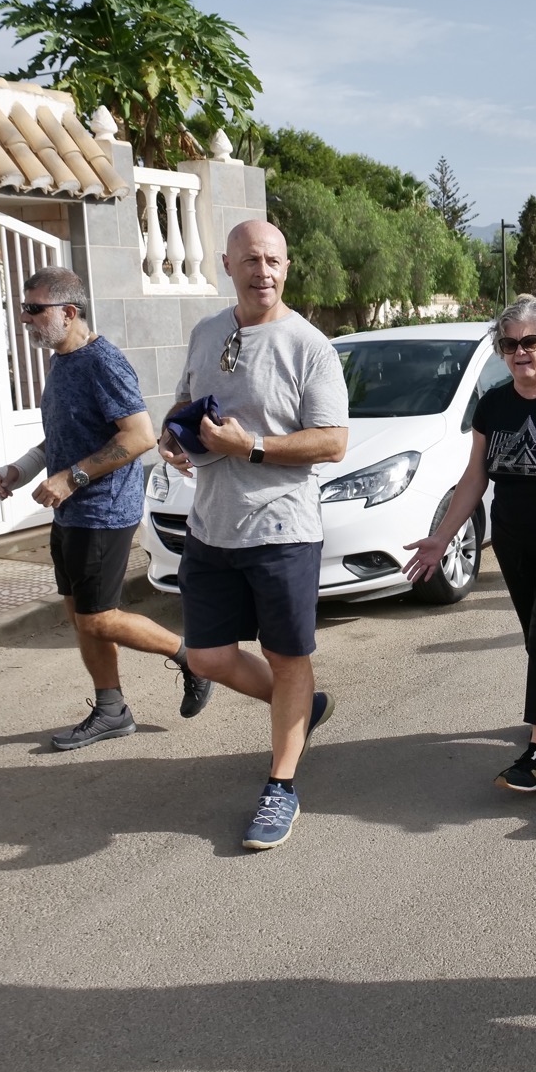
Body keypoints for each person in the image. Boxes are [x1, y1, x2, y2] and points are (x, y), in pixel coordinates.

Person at [157, 220, 349, 850]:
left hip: (282, 529)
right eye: (249, 260)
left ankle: (281, 785)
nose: (261, 271)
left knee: (288, 658)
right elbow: (184, 403)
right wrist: (172, 437)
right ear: (227, 265)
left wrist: (253, 446)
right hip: (211, 527)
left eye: (272, 261)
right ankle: (300, 706)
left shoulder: (310, 347)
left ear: (286, 267)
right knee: (206, 656)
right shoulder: (207, 332)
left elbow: (333, 442)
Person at [0, 267, 211, 750]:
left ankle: (192, 658)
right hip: (70, 512)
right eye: (23, 309)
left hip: (103, 511)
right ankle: (112, 710)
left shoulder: (102, 363)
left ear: (69, 312)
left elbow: (139, 436)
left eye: (34, 309)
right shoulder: (62, 362)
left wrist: (71, 478)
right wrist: (20, 469)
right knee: (81, 616)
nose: (25, 319)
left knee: (98, 619)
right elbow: (64, 437)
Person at [404, 298, 536, 792]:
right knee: (535, 635)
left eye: (530, 342)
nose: (520, 352)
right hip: (512, 542)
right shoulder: (493, 403)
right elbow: (474, 476)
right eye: (510, 344)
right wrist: (442, 538)